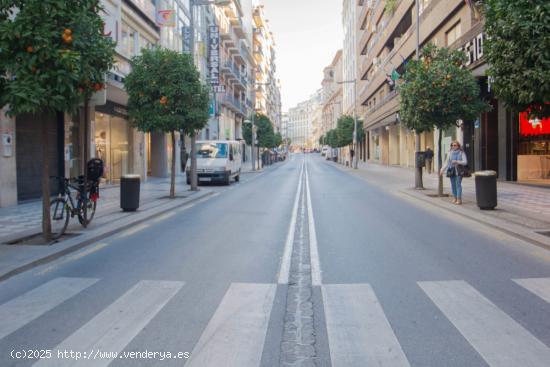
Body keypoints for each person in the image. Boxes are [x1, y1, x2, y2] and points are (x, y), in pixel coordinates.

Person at [440, 141, 468, 205]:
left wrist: (457, 161)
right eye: (452, 145)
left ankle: (459, 199)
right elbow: (446, 162)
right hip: (451, 170)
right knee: (453, 185)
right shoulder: (450, 153)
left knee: (458, 184)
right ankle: (455, 197)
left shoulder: (461, 153)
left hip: (459, 171)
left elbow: (465, 162)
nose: (453, 146)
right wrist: (442, 169)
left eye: (455, 145)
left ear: (458, 146)